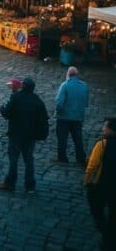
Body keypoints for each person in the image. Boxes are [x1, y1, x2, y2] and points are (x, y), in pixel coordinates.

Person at [0, 77, 48, 193]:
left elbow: (7, 114)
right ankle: (30, 185)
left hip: (16, 134)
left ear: (23, 86)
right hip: (30, 136)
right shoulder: (37, 101)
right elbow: (43, 119)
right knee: (29, 159)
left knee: (13, 159)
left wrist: (1, 109)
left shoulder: (16, 98)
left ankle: (10, 183)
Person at [84, 117, 116, 250]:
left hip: (102, 183)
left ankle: (106, 234)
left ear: (111, 130)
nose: (103, 128)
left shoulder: (102, 144)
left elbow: (92, 165)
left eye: (105, 127)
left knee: (97, 208)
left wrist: (87, 181)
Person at [54, 66, 89, 164]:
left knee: (62, 139)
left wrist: (57, 112)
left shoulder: (65, 85)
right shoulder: (84, 86)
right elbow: (86, 103)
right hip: (78, 117)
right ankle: (80, 158)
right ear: (77, 75)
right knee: (78, 139)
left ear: (68, 75)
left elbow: (59, 103)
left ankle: (62, 158)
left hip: (64, 117)